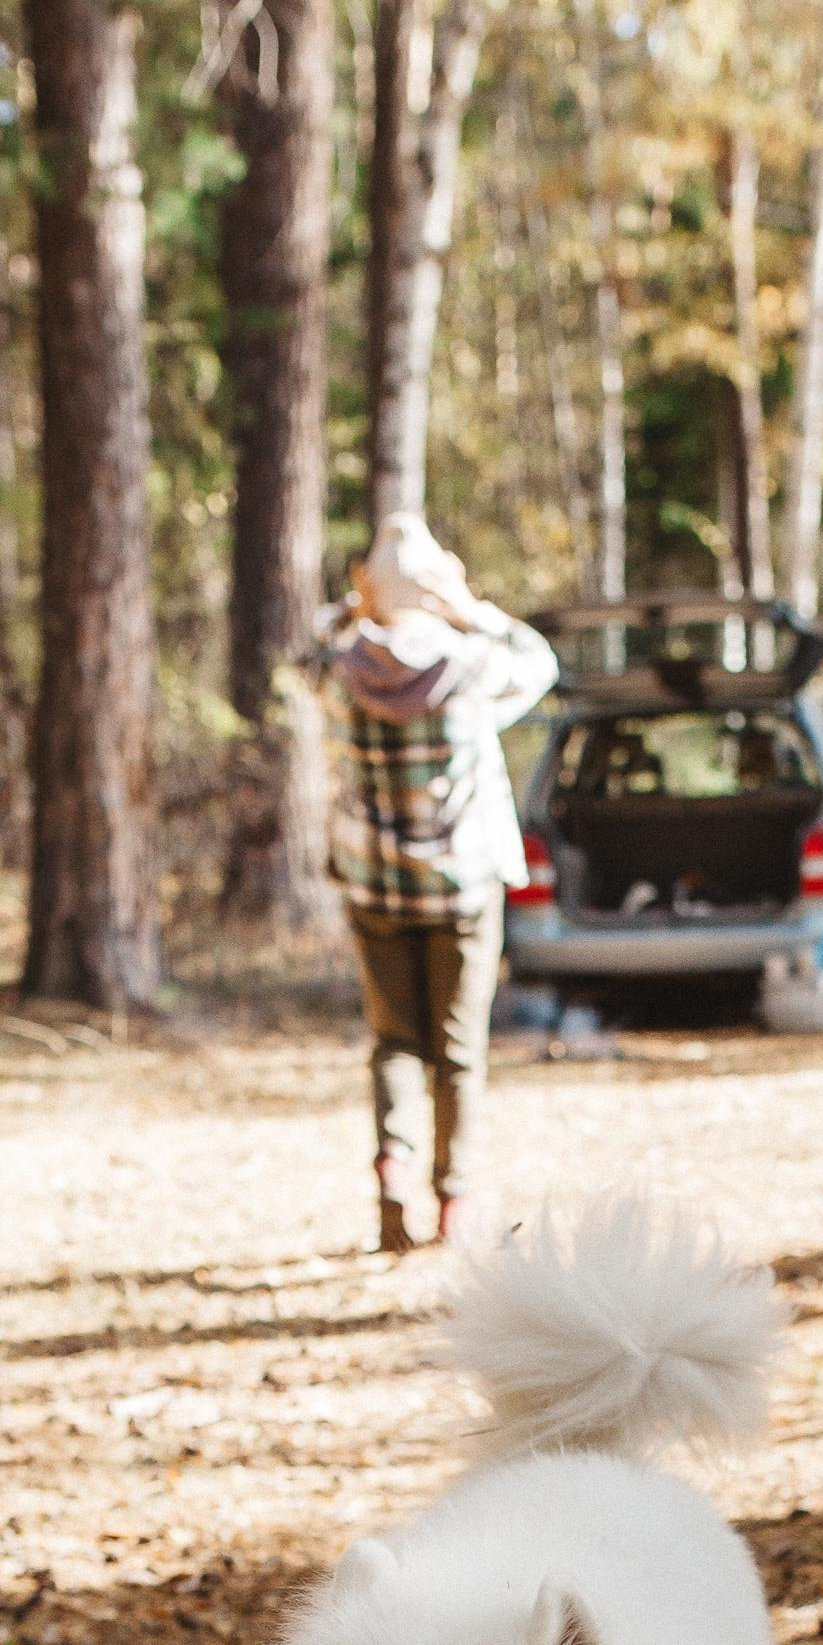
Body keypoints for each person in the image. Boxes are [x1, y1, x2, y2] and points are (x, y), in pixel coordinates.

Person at [317, 514, 557, 1254]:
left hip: (375, 887)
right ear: (435, 586)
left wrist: (361, 605)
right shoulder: (472, 666)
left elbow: (306, 651)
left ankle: (394, 1170)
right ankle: (453, 1198)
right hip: (460, 888)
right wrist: (464, 605)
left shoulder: (341, 670)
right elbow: (538, 661)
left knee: (394, 1042)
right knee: (457, 1051)